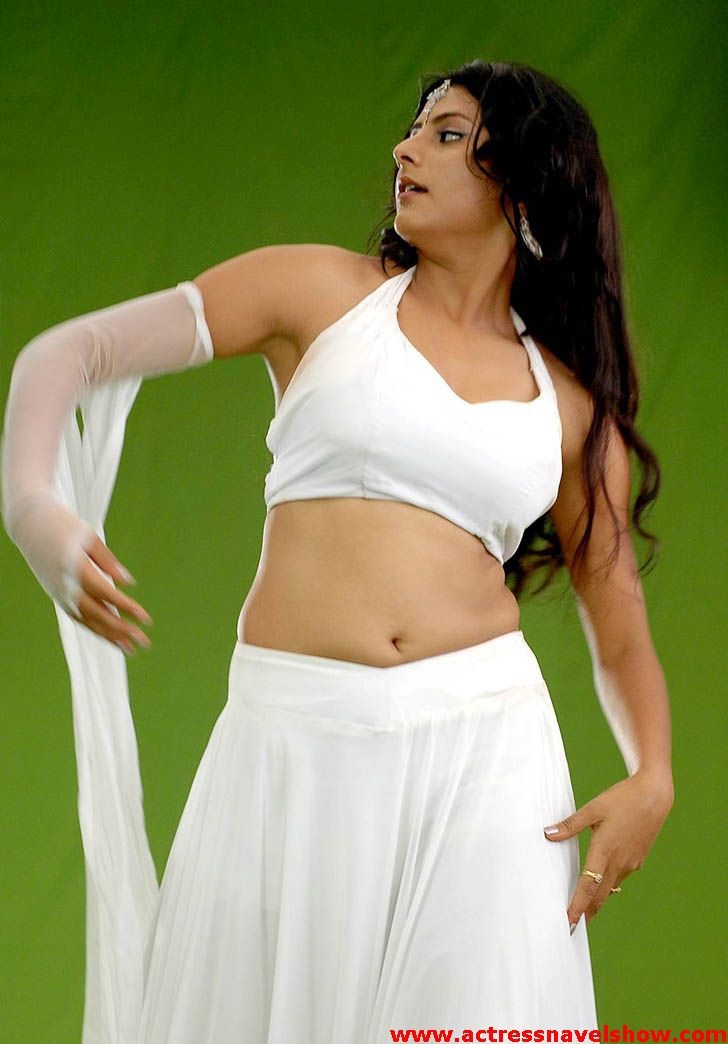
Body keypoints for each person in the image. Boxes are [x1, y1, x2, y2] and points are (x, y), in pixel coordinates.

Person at [1, 60, 674, 1042]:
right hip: (290, 740)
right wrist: (32, 506)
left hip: (485, 755)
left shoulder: (568, 411)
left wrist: (652, 774)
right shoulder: (318, 293)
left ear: (524, 185)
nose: (405, 149)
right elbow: (68, 354)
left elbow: (620, 631)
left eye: (446, 134)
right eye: (415, 128)